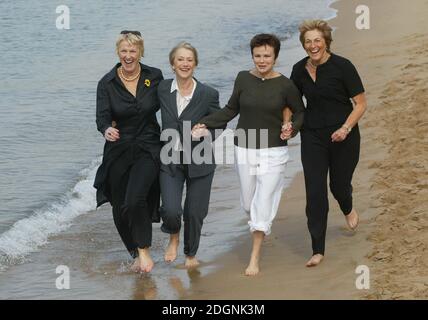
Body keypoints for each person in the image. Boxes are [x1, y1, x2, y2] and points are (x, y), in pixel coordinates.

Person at [193, 34, 305, 276]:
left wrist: (292, 128)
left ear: (275, 56)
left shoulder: (286, 85)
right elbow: (230, 109)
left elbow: (300, 112)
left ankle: (254, 257)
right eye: (257, 56)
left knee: (262, 201)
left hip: (273, 150)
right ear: (252, 55)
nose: (262, 60)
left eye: (267, 56)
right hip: (244, 147)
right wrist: (205, 123)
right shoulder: (243, 78)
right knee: (247, 202)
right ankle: (261, 224)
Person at [289, 20, 367, 267]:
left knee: (339, 186)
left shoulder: (343, 66)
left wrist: (345, 128)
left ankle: (347, 207)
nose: (313, 45)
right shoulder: (299, 69)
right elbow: (291, 102)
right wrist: (287, 122)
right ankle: (318, 249)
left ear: (326, 41)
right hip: (312, 136)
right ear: (303, 45)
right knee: (314, 191)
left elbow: (361, 104)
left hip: (343, 135)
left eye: (317, 40)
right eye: (308, 42)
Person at [93, 30, 163, 273]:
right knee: (119, 206)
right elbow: (102, 117)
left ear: (140, 52)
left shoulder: (154, 76)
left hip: (148, 147)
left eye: (133, 51)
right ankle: (135, 254)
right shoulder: (107, 83)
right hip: (119, 149)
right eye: (124, 50)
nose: (128, 55)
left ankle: (144, 251)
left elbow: (170, 104)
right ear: (118, 52)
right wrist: (105, 130)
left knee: (134, 200)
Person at [157, 42, 221, 268]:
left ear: (195, 64)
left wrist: (207, 131)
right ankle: (173, 237)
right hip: (170, 159)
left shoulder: (208, 94)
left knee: (194, 213)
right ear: (172, 64)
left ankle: (190, 255)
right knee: (171, 210)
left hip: (200, 161)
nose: (185, 63)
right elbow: (142, 109)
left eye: (189, 60)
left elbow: (219, 122)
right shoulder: (163, 89)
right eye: (180, 59)